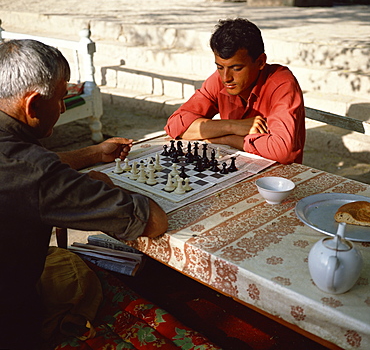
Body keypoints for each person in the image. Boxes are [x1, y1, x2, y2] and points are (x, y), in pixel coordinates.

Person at [0, 39, 168, 349]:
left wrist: (92, 153)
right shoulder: (36, 174)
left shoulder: (19, 156)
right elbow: (154, 221)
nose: (63, 108)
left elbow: (23, 168)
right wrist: (106, 185)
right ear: (33, 104)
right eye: (62, 98)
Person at [165, 18, 305, 164]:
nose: (226, 78)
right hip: (234, 167)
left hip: (277, 179)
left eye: (236, 68)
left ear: (260, 62)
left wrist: (228, 139)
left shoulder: (281, 83)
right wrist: (233, 126)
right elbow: (175, 125)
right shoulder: (219, 80)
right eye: (220, 67)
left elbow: (282, 151)